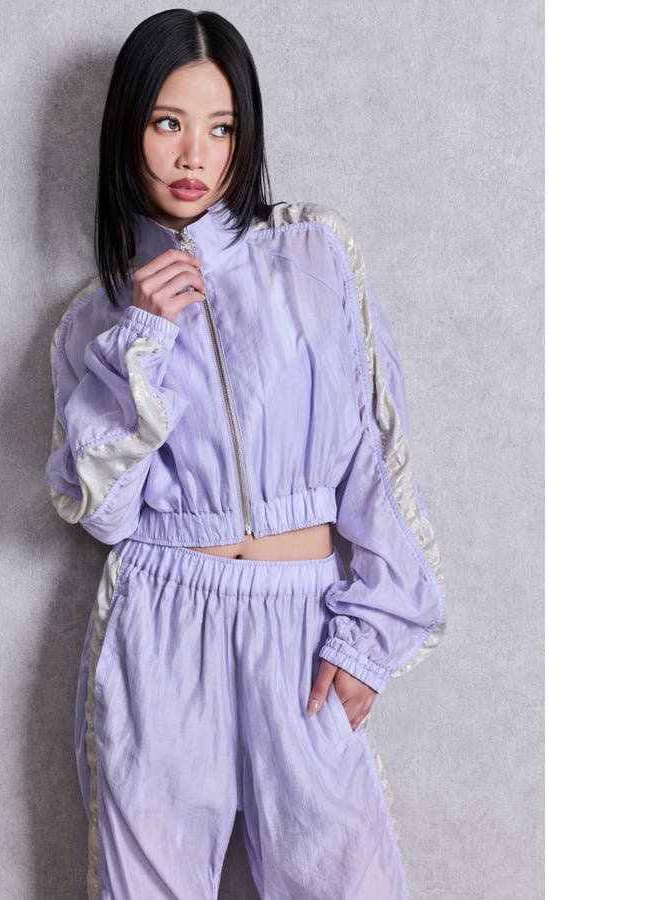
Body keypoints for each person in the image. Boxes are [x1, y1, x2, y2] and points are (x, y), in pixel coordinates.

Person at [45, 9, 446, 899]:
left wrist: (370, 634)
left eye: (220, 128)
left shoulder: (313, 255)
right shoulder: (95, 323)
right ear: (128, 130)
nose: (194, 156)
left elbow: (374, 453)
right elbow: (104, 513)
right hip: (161, 628)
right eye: (168, 123)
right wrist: (144, 338)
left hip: (301, 626)